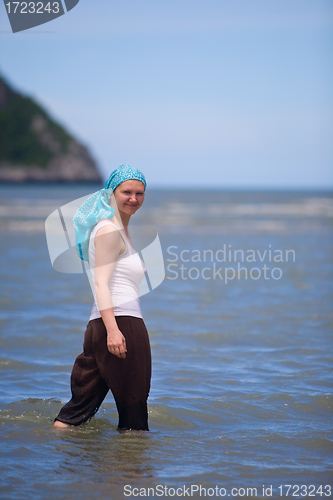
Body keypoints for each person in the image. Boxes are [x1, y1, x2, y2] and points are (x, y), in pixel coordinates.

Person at [54, 165, 151, 431]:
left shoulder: (119, 230)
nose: (134, 198)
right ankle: (129, 471)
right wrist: (113, 331)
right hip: (120, 324)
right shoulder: (109, 230)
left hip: (104, 323)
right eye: (127, 192)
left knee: (78, 408)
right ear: (111, 193)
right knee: (134, 414)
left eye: (140, 193)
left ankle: (55, 453)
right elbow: (100, 283)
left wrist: (107, 328)